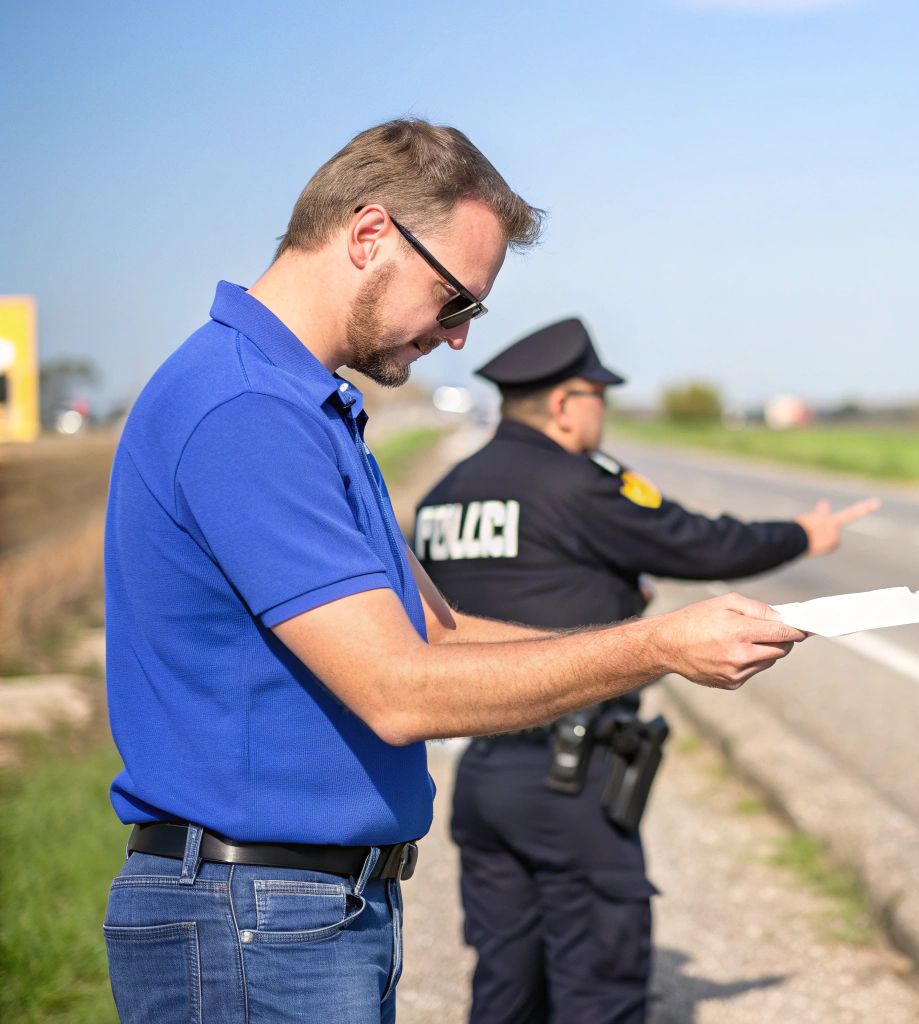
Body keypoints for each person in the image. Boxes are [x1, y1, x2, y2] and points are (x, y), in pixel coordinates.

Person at [100, 118, 807, 1024]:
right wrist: (655, 645)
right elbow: (400, 690)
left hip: (302, 911)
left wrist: (659, 647)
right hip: (254, 918)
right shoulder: (246, 410)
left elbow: (439, 632)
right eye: (455, 301)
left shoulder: (311, 407)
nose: (460, 337)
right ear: (368, 236)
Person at [414, 316, 878, 1023]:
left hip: (482, 776)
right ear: (568, 403)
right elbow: (700, 544)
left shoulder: (445, 495)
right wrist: (805, 535)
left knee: (506, 986)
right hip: (571, 780)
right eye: (599, 394)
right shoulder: (578, 483)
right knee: (600, 990)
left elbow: (495, 595)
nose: (606, 408)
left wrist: (613, 591)